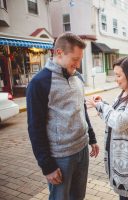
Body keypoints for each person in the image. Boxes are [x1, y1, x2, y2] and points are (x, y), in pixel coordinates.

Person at [26, 32, 99, 200]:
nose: (78, 64)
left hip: (82, 150)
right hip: (61, 157)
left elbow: (82, 109)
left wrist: (92, 138)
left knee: (78, 197)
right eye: (75, 59)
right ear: (59, 53)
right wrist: (47, 166)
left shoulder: (78, 77)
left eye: (80, 59)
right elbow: (35, 128)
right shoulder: (39, 83)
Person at [87, 56, 128, 200]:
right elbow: (113, 117)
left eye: (119, 75)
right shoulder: (123, 93)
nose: (116, 79)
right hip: (120, 163)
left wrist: (102, 107)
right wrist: (103, 104)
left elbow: (120, 122)